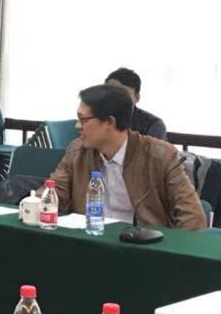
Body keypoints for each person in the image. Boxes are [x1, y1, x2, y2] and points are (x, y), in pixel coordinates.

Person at [47, 84, 206, 229]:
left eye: (83, 119)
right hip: (90, 238)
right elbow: (52, 195)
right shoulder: (77, 151)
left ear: (109, 122)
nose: (77, 126)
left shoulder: (160, 155)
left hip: (140, 244)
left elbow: (193, 217)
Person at [105, 67, 168, 141]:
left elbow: (151, 148)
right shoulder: (95, 118)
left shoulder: (153, 124)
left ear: (136, 98)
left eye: (123, 94)